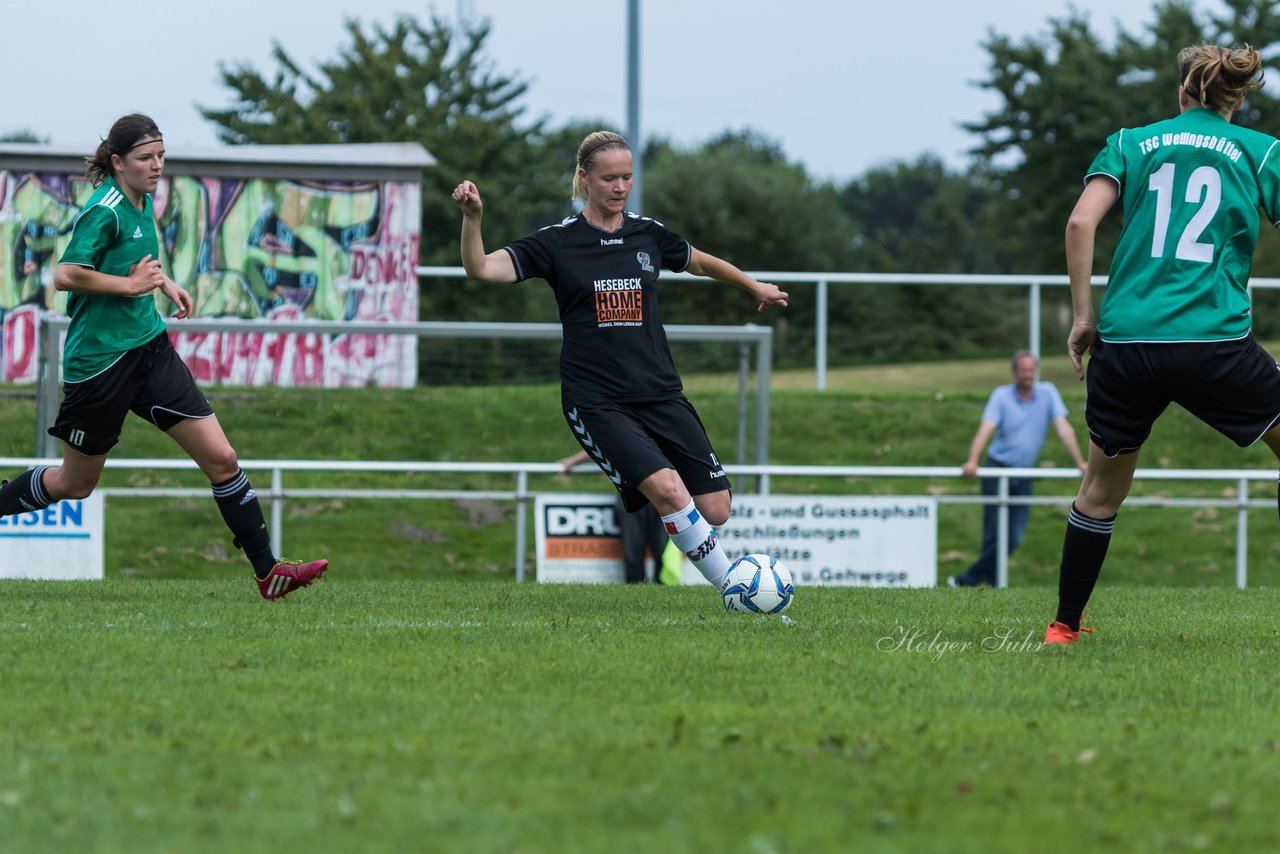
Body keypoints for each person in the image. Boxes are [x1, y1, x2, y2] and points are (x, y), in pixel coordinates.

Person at [0, 113, 328, 600]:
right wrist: (131, 285)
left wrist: (163, 283)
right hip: (101, 366)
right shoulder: (104, 208)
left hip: (150, 351)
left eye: (161, 157)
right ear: (117, 162)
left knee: (222, 458)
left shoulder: (142, 197)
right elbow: (66, 274)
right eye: (145, 158)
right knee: (75, 483)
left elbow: (137, 263)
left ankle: (269, 573)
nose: (157, 167)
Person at [454, 130, 788, 591]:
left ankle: (665, 498)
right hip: (597, 400)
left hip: (660, 392)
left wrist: (754, 286)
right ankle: (735, 589)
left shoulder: (647, 234)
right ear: (583, 178)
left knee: (716, 509)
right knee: (670, 490)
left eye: (627, 177)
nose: (620, 187)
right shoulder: (557, 243)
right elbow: (481, 268)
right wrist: (474, 218)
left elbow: (702, 262)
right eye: (609, 178)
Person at [1047, 43, 1280, 644]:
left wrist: (1083, 318)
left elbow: (1079, 223)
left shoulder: (1130, 142)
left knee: (1100, 490)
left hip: (1126, 348)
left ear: (1182, 93)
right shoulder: (1260, 153)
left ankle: (1063, 627)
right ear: (1239, 99)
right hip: (1216, 344)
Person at [948, 350, 1086, 588]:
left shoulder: (1048, 393)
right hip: (997, 471)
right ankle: (992, 583)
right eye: (1023, 370)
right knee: (993, 534)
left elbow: (1063, 428)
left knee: (1014, 536)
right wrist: (973, 460)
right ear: (1014, 373)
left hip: (1024, 476)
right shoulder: (1001, 396)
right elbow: (986, 428)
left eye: (1032, 370)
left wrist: (1080, 462)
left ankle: (967, 580)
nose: (1028, 375)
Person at [557, 449, 675, 584]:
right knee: (632, 552)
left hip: (661, 495)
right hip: (631, 493)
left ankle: (662, 589)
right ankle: (636, 593)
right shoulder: (625, 429)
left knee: (662, 551)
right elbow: (601, 441)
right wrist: (574, 461)